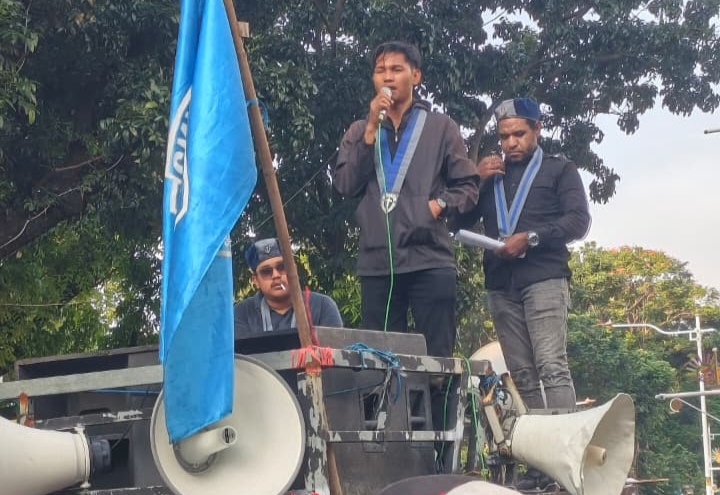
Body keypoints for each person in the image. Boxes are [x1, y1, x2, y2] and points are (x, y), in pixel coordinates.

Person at [465, 97, 590, 491]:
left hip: (543, 276)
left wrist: (532, 237)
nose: (511, 143)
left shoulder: (559, 169)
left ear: (537, 129)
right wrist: (475, 179)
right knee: (522, 375)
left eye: (519, 134)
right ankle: (540, 464)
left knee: (552, 366)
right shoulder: (492, 176)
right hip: (501, 283)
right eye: (504, 137)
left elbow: (579, 221)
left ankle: (566, 458)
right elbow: (458, 219)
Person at [332, 40, 480, 361]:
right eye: (380, 70)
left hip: (429, 258)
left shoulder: (441, 127)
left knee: (438, 360)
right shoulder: (359, 129)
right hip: (377, 263)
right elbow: (345, 184)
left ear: (415, 76)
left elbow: (468, 186)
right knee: (382, 363)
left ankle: (440, 399)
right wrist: (370, 130)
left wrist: (437, 206)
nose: (387, 77)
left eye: (396, 69)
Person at [234, 238, 343, 338]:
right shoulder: (242, 313)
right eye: (266, 272)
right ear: (256, 281)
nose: (276, 275)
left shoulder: (322, 306)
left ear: (294, 270)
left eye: (282, 267)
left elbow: (335, 350)